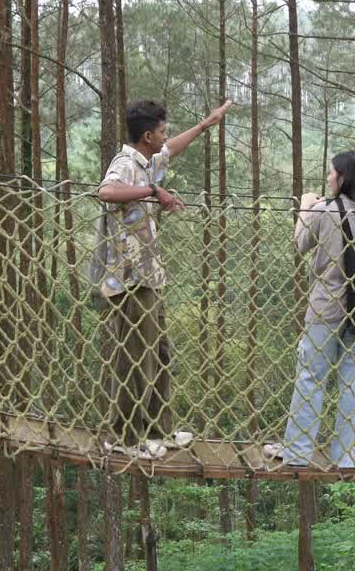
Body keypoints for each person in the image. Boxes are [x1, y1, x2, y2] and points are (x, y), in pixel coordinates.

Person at [95, 98, 232, 459]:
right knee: (135, 358)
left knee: (159, 354)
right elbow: (106, 192)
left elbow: (172, 148)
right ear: (146, 135)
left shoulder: (148, 160)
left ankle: (158, 430)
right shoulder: (125, 164)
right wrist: (154, 191)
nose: (165, 137)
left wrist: (207, 124)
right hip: (128, 280)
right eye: (161, 131)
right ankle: (124, 437)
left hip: (147, 276)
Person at [263, 151, 355, 468]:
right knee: (352, 381)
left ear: (343, 178)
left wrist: (305, 206)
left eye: (331, 173)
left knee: (311, 377)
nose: (327, 178)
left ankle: (297, 451)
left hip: (326, 307)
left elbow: (300, 244)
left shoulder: (323, 210)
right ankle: (343, 455)